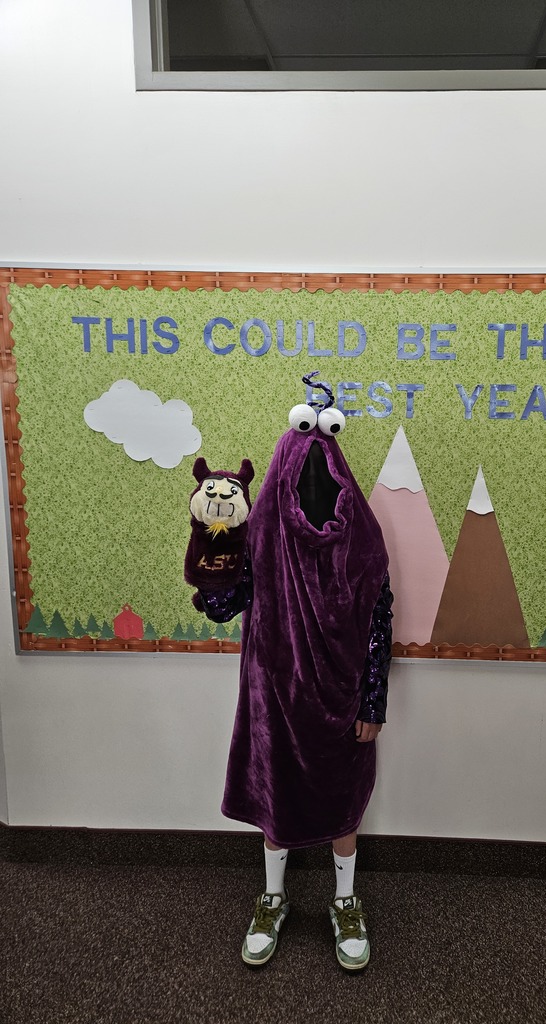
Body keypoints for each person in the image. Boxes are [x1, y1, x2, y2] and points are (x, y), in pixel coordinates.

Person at [185, 376, 393, 971]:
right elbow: (225, 605)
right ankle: (272, 898)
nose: (312, 490)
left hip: (343, 695)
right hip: (273, 694)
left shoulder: (363, 540)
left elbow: (380, 615)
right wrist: (210, 561)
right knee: (275, 794)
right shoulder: (259, 539)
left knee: (342, 802)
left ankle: (344, 900)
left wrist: (371, 702)